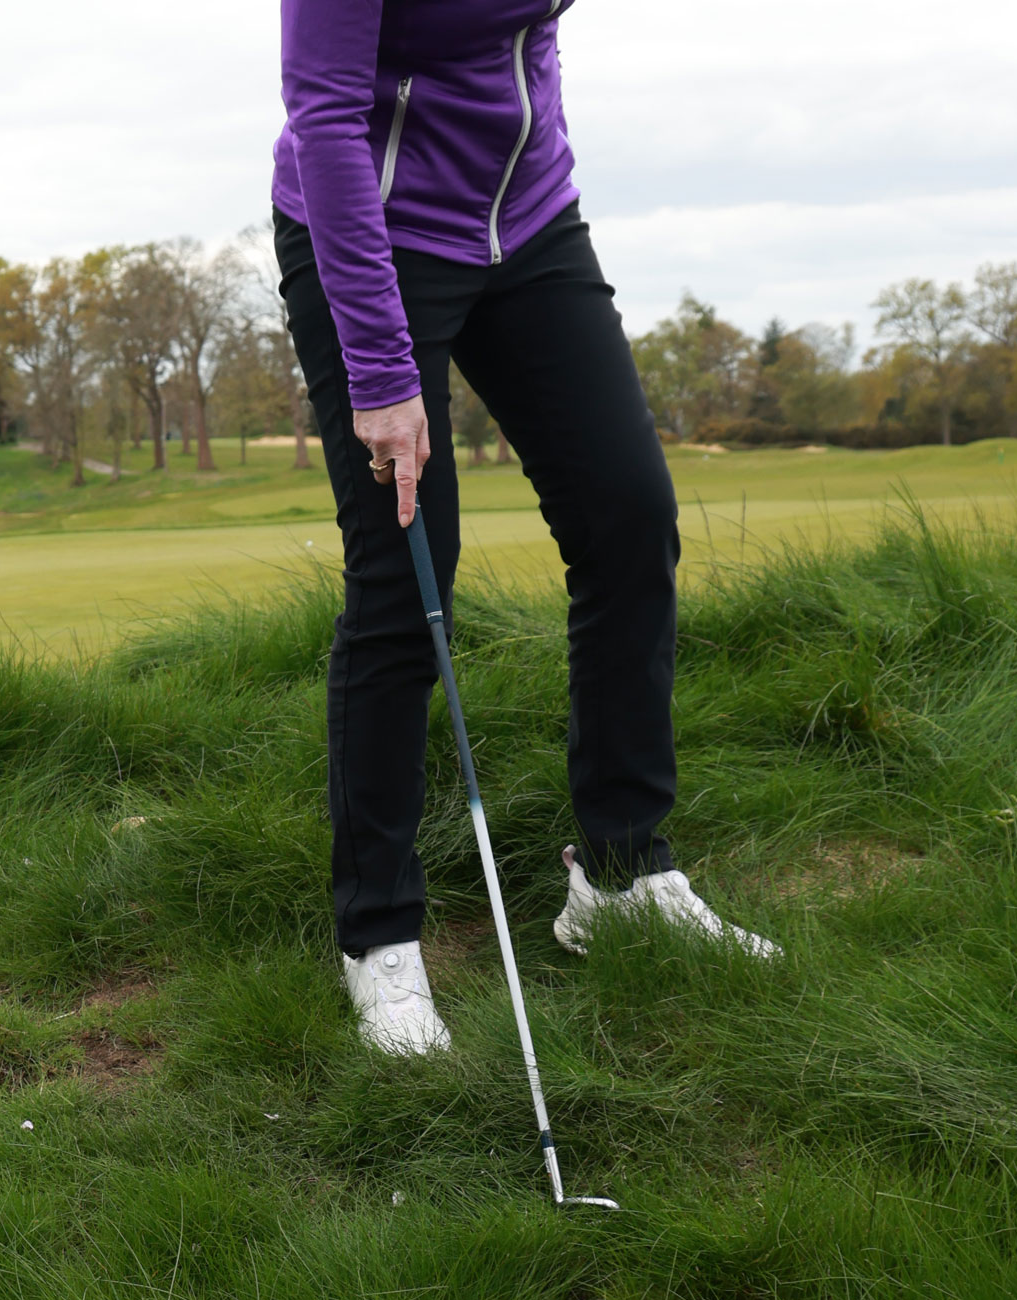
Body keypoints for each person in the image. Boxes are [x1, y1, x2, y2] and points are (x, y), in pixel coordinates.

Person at [271, 0, 777, 1056]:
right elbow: (324, 113)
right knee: (408, 578)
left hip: (530, 218)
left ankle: (625, 872)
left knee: (629, 520)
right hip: (372, 224)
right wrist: (380, 369)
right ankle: (379, 935)